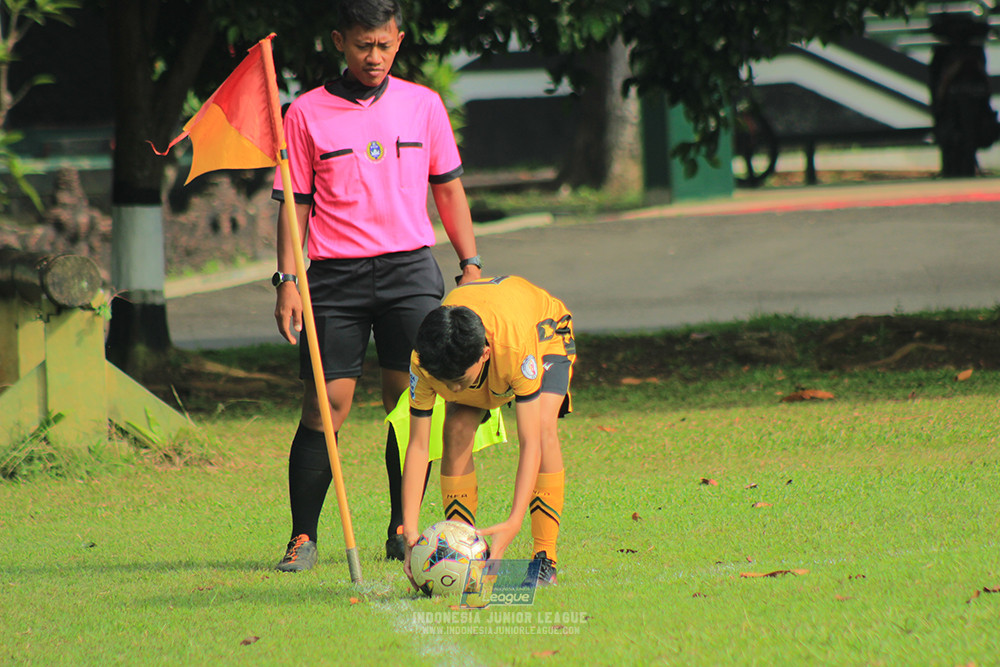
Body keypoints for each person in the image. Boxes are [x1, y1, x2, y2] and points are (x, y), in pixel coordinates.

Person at [271, 0, 481, 571]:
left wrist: (470, 264)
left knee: (408, 402)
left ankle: (401, 528)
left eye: (385, 45)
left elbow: (448, 189)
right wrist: (287, 279)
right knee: (326, 406)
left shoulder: (424, 105)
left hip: (409, 272)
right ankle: (302, 538)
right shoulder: (305, 113)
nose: (374, 56)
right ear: (340, 40)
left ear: (399, 40)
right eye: (363, 45)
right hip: (334, 278)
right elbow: (295, 205)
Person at [400, 275, 575, 587]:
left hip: (544, 334)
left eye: (458, 381)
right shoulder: (425, 360)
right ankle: (462, 552)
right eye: (444, 382)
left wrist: (513, 521)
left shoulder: (514, 349)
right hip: (489, 347)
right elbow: (418, 446)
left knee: (543, 427)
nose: (453, 390)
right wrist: (410, 531)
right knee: (456, 428)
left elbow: (530, 442)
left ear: (484, 355)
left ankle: (545, 557)